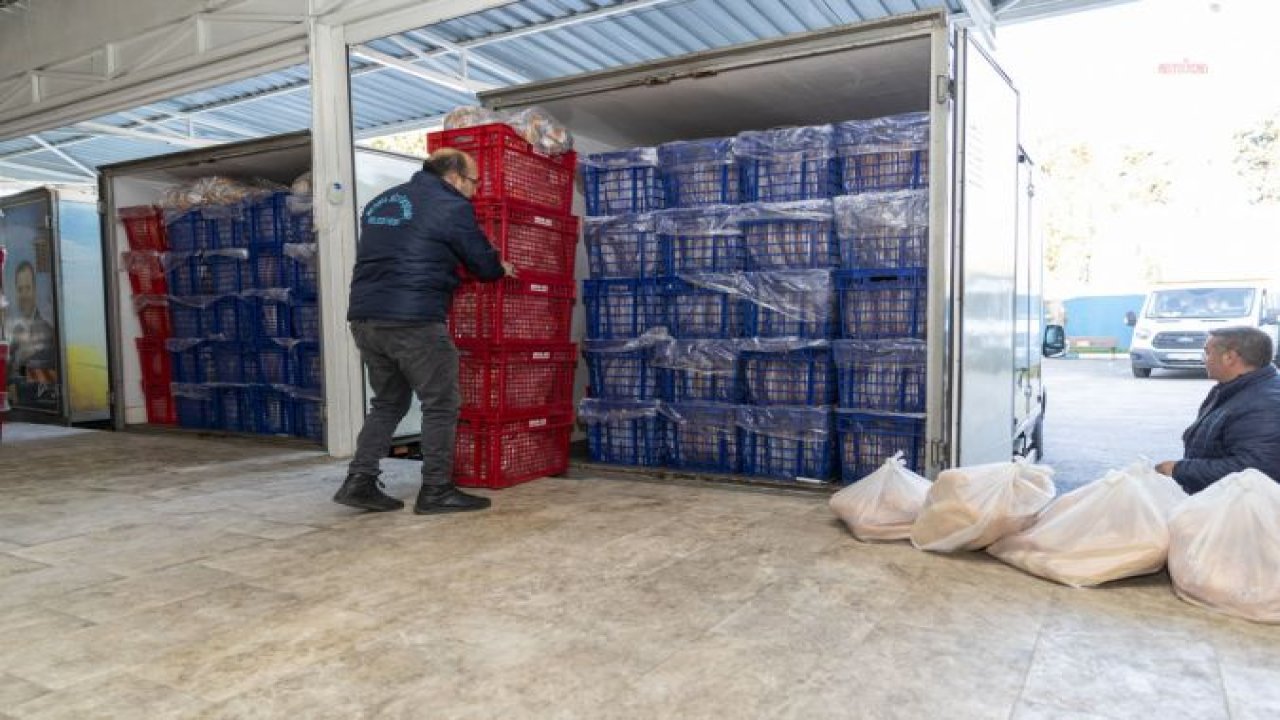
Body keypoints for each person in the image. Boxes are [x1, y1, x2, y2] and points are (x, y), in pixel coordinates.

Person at [334, 148, 515, 515]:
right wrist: (500, 267)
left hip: (366, 318)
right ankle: (436, 490)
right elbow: (481, 262)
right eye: (474, 182)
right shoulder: (450, 205)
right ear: (453, 177)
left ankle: (360, 481)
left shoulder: (381, 202)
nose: (475, 191)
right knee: (441, 403)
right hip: (414, 320)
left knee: (388, 402)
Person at [1155, 326, 1280, 493]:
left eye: (1207, 353)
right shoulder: (1235, 388)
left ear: (1229, 357)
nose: (1204, 360)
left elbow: (1255, 471)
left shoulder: (1264, 404)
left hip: (1238, 511)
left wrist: (1179, 470)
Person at [7, 261, 58, 385]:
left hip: (40, 402)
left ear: (35, 291)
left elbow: (52, 376)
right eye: (20, 289)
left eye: (27, 288)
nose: (23, 295)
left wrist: (17, 370)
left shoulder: (48, 332)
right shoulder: (16, 332)